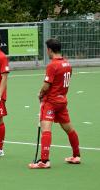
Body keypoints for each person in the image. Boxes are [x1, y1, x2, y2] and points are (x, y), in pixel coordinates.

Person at [29, 38, 81, 169]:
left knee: (46, 129)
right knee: (69, 129)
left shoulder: (52, 65)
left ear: (49, 50)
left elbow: (47, 85)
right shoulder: (67, 64)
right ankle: (76, 156)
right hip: (62, 101)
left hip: (51, 102)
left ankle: (44, 161)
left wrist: (40, 94)